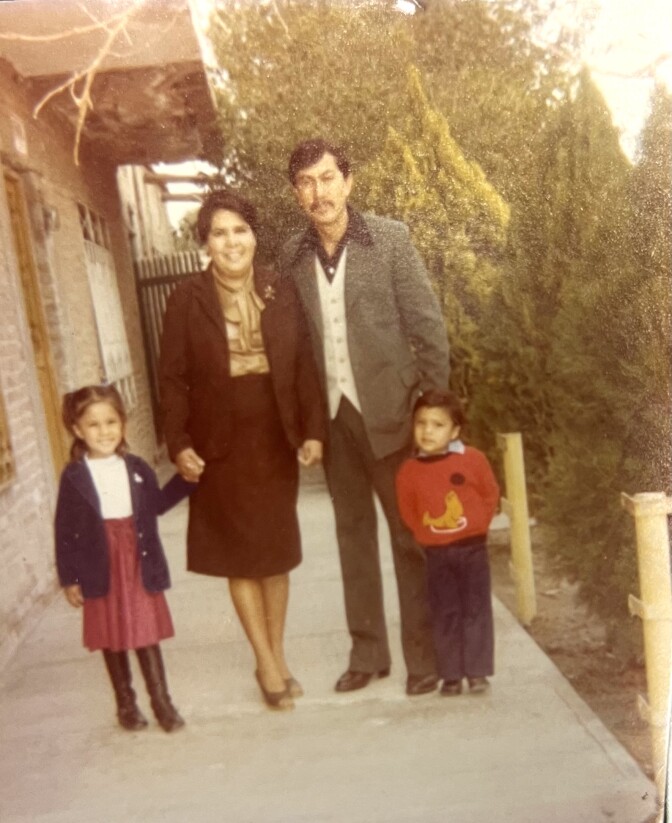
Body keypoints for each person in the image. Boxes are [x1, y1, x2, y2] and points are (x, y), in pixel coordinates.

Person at [279, 138, 451, 696]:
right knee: (352, 536)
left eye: (327, 178)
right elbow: (296, 348)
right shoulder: (291, 257)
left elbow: (427, 328)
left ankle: (423, 659)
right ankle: (368, 653)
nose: (318, 192)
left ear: (347, 182)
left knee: (409, 540)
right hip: (334, 423)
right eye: (306, 182)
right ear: (295, 192)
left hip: (395, 416)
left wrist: (431, 415)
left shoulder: (391, 241)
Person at [159, 190, 325, 711]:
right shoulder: (187, 298)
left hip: (273, 437)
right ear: (206, 243)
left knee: (275, 556)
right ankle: (266, 659)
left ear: (254, 236)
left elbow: (302, 366)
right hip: (219, 443)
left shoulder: (281, 287)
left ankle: (272, 655)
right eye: (219, 233)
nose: (231, 242)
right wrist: (179, 442)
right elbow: (173, 379)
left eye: (239, 230)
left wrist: (313, 429)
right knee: (240, 556)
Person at [55, 384, 192, 732]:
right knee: (111, 633)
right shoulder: (74, 476)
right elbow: (64, 529)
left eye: (111, 422)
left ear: (123, 424)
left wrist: (186, 481)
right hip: (99, 564)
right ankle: (126, 705)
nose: (104, 432)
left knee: (146, 631)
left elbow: (157, 505)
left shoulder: (137, 467)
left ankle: (163, 704)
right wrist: (69, 577)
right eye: (94, 425)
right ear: (78, 430)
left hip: (137, 559)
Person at [395, 390, 499, 695]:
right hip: (437, 553)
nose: (427, 431)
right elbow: (408, 510)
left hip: (472, 549)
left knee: (476, 609)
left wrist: (478, 524)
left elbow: (489, 493)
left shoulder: (472, 460)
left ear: (455, 431)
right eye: (421, 423)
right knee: (444, 612)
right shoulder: (409, 471)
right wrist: (427, 535)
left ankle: (477, 672)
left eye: (438, 425)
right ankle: (451, 673)